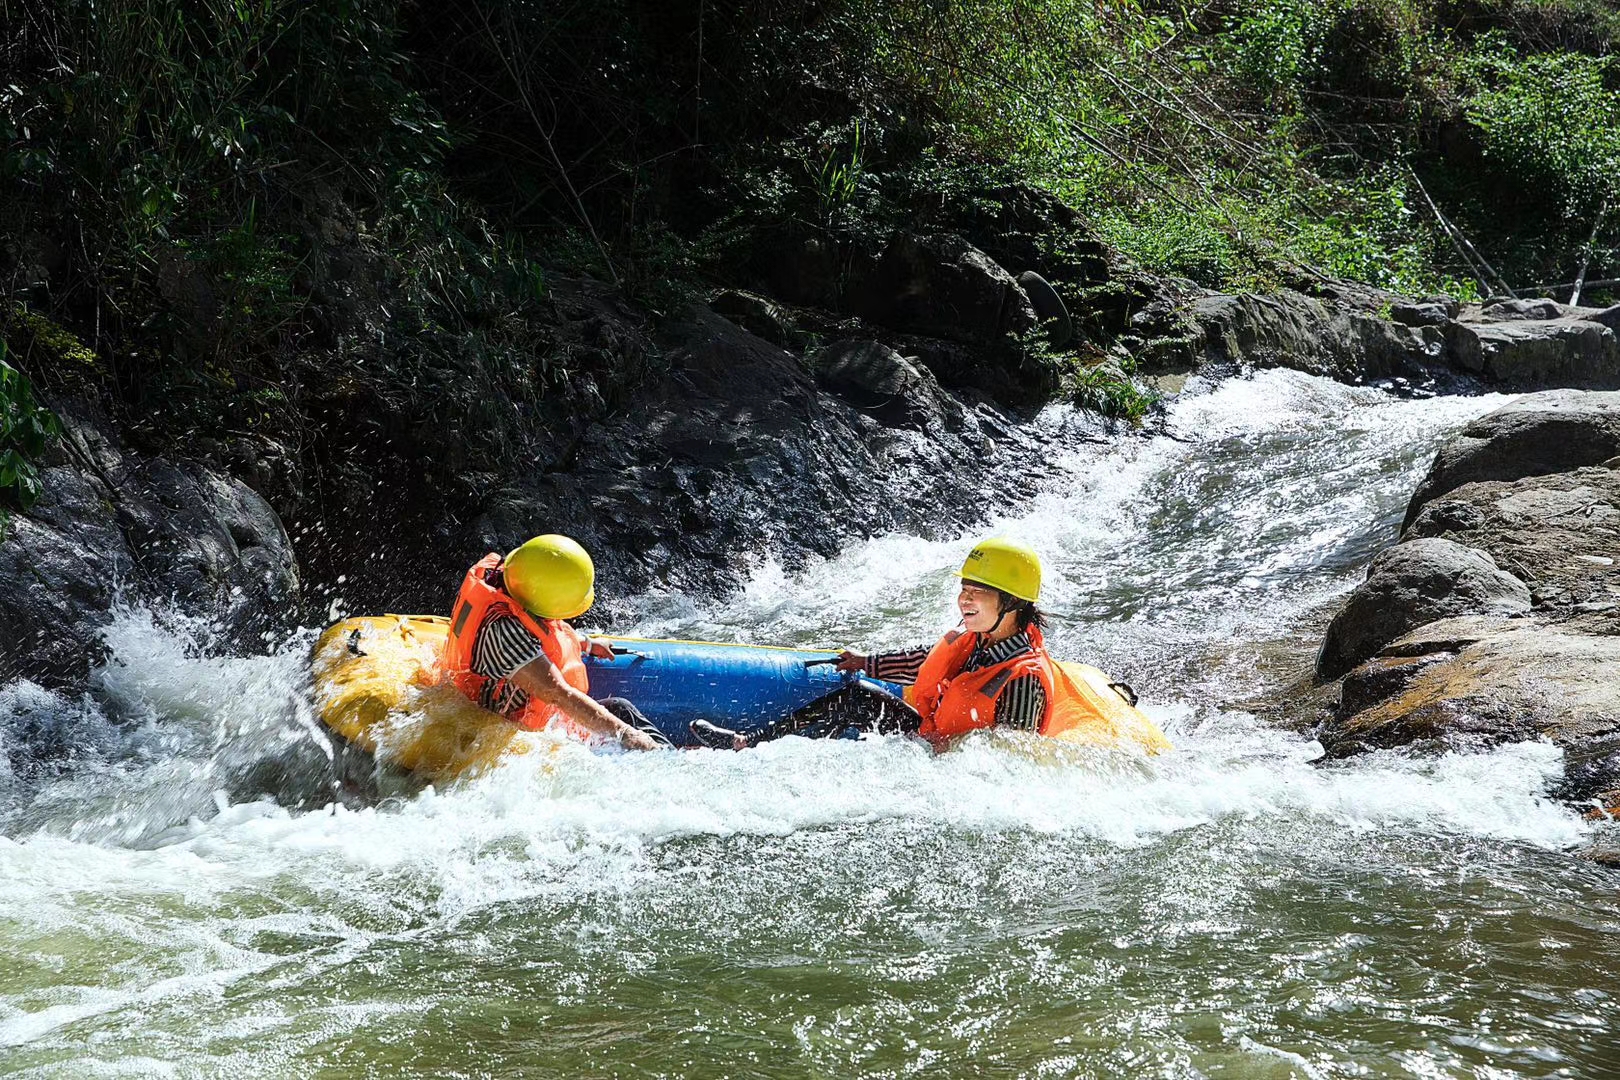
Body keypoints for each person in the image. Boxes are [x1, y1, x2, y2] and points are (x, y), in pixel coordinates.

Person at [439, 534, 664, 750]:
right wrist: (628, 735)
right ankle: (663, 756)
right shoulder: (503, 632)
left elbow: (542, 633)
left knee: (620, 708)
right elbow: (557, 693)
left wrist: (586, 642)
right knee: (621, 728)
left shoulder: (515, 581)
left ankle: (664, 754)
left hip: (537, 717)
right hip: (508, 734)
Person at [835, 538, 1064, 741]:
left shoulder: (1024, 680)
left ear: (1013, 601)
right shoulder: (975, 638)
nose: (965, 599)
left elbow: (1011, 758)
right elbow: (927, 661)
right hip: (930, 738)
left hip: (951, 766)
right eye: (965, 589)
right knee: (856, 696)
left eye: (978, 591)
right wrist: (866, 663)